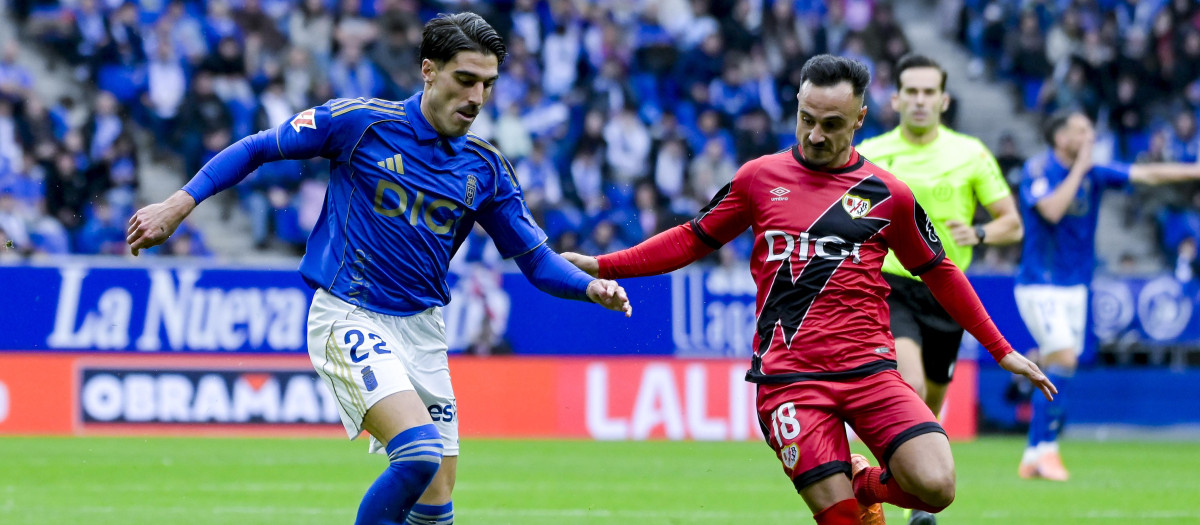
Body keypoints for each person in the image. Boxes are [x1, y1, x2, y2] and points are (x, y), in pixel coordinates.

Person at [126, 12, 632, 525]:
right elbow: (260, 146)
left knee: (436, 508)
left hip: (424, 333)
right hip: (349, 313)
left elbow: (537, 261)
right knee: (417, 455)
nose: (477, 98)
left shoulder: (486, 168)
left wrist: (591, 287)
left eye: (488, 84)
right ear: (428, 70)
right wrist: (178, 204)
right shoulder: (360, 123)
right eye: (465, 80)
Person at [564, 55, 1055, 525]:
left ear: (860, 118)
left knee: (937, 486)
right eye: (806, 119)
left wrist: (1001, 349)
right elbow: (694, 237)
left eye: (832, 124)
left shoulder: (888, 195)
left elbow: (940, 270)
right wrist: (604, 265)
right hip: (790, 382)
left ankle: (865, 485)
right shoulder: (760, 178)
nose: (815, 135)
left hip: (869, 371)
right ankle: (851, 500)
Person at [856, 54, 1023, 525]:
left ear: (944, 99)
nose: (920, 100)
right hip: (891, 285)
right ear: (897, 98)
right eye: (912, 91)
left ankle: (899, 489)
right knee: (905, 386)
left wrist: (982, 234)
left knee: (928, 403)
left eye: (930, 92)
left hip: (947, 292)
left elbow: (1012, 222)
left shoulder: (970, 153)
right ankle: (884, 492)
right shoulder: (874, 154)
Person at [1014, 110, 1200, 482]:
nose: (1090, 136)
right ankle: (1048, 451)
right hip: (1040, 283)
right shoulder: (1037, 171)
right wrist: (1082, 167)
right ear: (1060, 137)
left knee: (1059, 367)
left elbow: (1147, 174)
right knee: (1064, 358)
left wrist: (1194, 170)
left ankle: (1033, 453)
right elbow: (1051, 211)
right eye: (1081, 130)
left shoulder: (1094, 174)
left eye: (1090, 130)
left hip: (1076, 286)